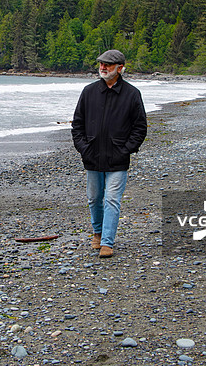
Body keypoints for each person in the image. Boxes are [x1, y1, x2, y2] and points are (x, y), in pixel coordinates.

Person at [71, 50, 147, 258]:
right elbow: (77, 125)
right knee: (94, 199)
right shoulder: (89, 92)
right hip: (92, 157)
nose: (103, 67)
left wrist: (125, 150)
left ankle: (107, 242)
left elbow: (140, 128)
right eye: (101, 64)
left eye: (108, 65)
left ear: (120, 68)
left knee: (112, 199)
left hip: (118, 159)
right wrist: (84, 148)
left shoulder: (132, 94)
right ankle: (97, 232)